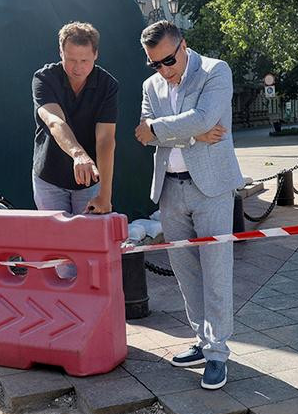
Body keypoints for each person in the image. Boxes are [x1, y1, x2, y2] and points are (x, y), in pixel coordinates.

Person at [134, 21, 243, 389]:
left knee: (216, 270)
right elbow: (144, 134)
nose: (164, 70)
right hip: (169, 188)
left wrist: (172, 129)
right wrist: (194, 137)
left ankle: (218, 353)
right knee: (185, 272)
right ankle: (202, 339)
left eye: (168, 60)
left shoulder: (215, 71)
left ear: (183, 45)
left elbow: (204, 119)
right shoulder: (150, 85)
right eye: (155, 64)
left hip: (211, 188)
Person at [32, 22, 117, 215]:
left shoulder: (108, 85)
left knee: (89, 233)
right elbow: (55, 121)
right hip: (49, 177)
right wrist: (78, 154)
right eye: (71, 60)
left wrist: (105, 195)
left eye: (85, 60)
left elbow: (105, 139)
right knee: (55, 234)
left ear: (96, 55)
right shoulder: (44, 78)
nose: (78, 68)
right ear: (60, 53)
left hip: (90, 180)